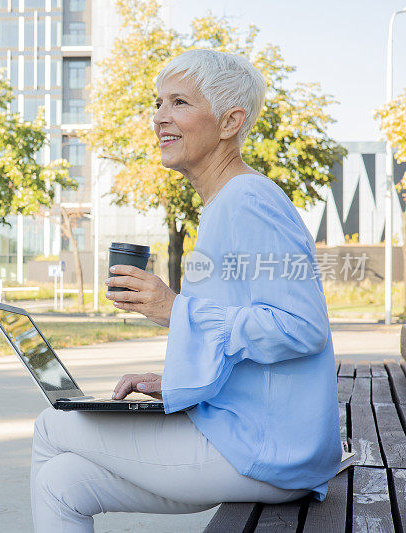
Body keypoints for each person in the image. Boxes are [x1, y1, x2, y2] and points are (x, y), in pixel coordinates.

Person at [30, 49, 341, 532]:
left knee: (52, 426)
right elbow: (241, 325)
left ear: (229, 122)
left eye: (179, 102)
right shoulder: (225, 204)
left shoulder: (248, 200)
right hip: (252, 437)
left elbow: (301, 328)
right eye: (158, 103)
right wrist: (177, 377)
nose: (159, 117)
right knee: (62, 481)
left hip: (266, 448)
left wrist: (174, 308)